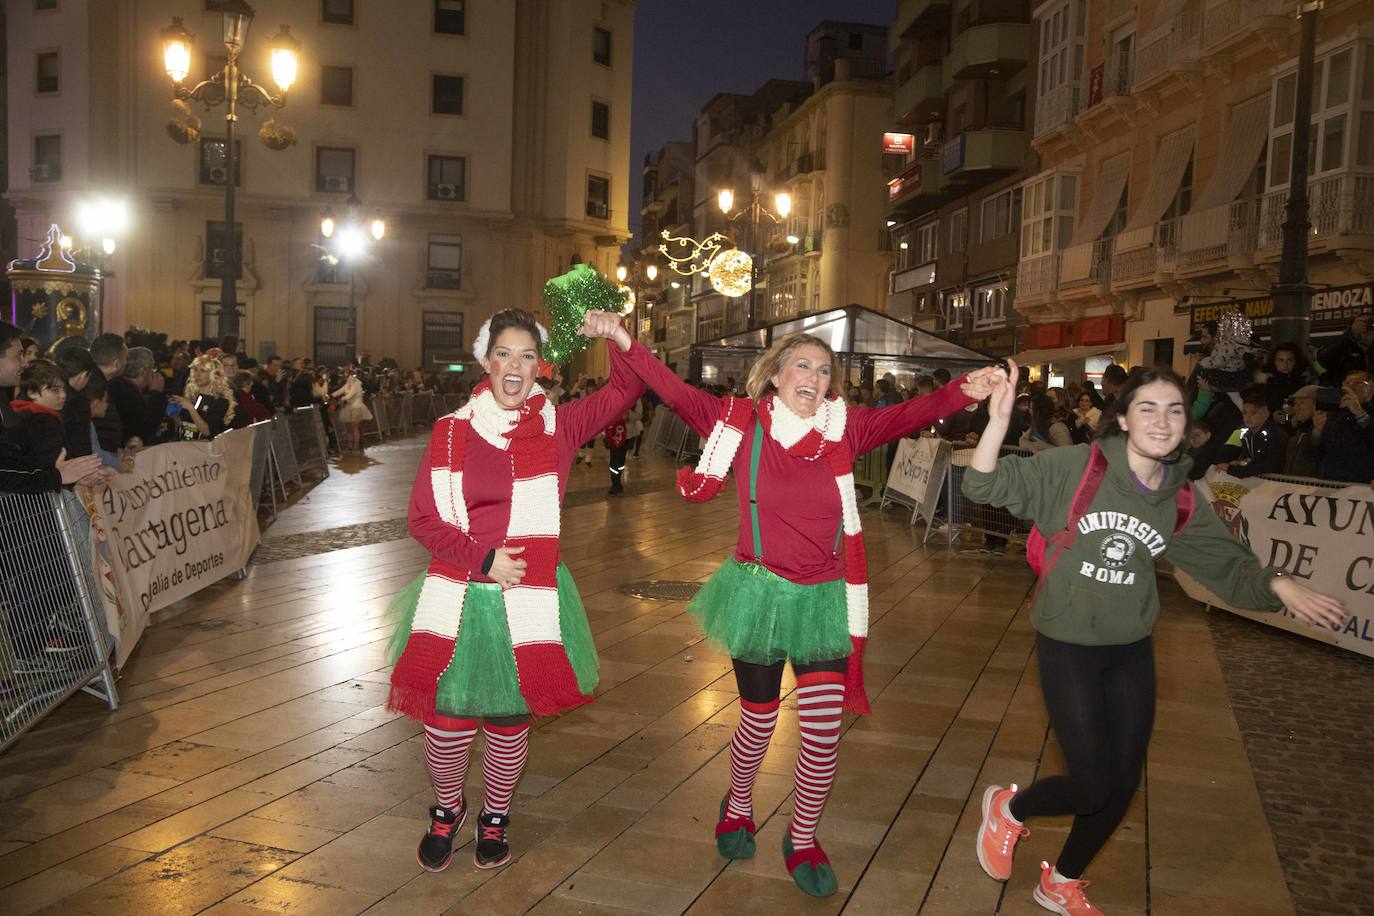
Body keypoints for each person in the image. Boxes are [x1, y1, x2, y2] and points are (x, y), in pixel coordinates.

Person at [610, 329, 1001, 896]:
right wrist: (623, 338)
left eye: (823, 371)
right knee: (759, 716)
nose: (813, 379)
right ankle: (738, 804)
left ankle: (803, 835)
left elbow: (914, 413)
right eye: (802, 366)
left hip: (823, 597)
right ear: (776, 375)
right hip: (757, 593)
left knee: (821, 733)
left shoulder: (847, 428)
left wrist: (969, 388)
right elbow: (670, 389)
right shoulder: (739, 424)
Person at [964, 362, 1346, 916]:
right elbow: (984, 483)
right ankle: (1009, 809)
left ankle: (1061, 880)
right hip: (1067, 638)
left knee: (1122, 780)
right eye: (1148, 407)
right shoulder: (1077, 468)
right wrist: (997, 421)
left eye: (1173, 409)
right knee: (1092, 783)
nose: (1162, 420)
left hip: (1130, 645)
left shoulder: (1181, 497)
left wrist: (1278, 584)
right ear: (1122, 416)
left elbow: (1226, 565)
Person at [387, 308, 642, 874]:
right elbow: (423, 520)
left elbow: (629, 385)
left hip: (529, 599)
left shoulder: (562, 428)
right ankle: (447, 810)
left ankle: (495, 815)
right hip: (459, 594)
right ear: (485, 360)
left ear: (540, 368)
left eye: (528, 355)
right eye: (505, 352)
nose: (515, 365)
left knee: (508, 721)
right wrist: (483, 558)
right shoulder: (450, 431)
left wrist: (619, 336)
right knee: (447, 722)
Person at [1302, 370, 1374, 483]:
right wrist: (1317, 432)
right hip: (1332, 487)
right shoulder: (1332, 416)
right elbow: (1310, 456)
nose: (1350, 388)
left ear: (1371, 388)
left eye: (1357, 383)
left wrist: (1360, 414)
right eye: (1347, 384)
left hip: (1363, 488)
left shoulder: (1370, 415)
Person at [1215, 388, 1289, 478]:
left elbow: (1271, 466)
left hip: (1275, 484)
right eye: (1245, 413)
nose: (1248, 417)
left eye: (1253, 413)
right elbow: (1252, 459)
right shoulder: (1246, 434)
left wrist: (1233, 469)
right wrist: (1241, 463)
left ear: (1265, 414)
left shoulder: (1276, 435)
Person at [171, 351, 235, 439]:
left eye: (203, 370)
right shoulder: (191, 396)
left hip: (203, 449)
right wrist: (174, 414)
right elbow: (183, 424)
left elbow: (208, 432)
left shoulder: (220, 401)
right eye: (196, 370)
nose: (197, 374)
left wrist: (190, 408)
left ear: (213, 375)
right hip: (183, 446)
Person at [1256, 342, 1314, 410]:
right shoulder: (1264, 385)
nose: (1285, 365)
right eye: (1280, 360)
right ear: (1274, 361)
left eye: (1289, 360)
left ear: (1296, 361)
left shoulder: (1306, 384)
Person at [1316, 314, 1372, 385]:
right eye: (1364, 322)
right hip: (1344, 391)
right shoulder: (1344, 344)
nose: (1368, 332)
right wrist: (1351, 334)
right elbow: (1323, 359)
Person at [1282, 385, 1319, 477]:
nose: (1297, 408)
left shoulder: (1321, 432)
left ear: (1316, 405)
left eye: (1302, 403)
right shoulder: (1298, 431)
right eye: (1295, 403)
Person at [332, 368, 372, 452]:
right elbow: (340, 391)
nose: (347, 376)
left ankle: (356, 444)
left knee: (355, 427)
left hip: (356, 407)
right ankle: (350, 444)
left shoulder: (356, 384)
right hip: (349, 407)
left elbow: (351, 394)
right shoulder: (347, 384)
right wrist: (331, 395)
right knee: (348, 427)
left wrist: (342, 399)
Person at [605, 410, 629, 495]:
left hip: (618, 444)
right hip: (620, 443)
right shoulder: (616, 419)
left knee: (616, 465)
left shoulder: (614, 420)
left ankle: (616, 486)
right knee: (618, 465)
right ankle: (617, 485)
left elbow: (610, 433)